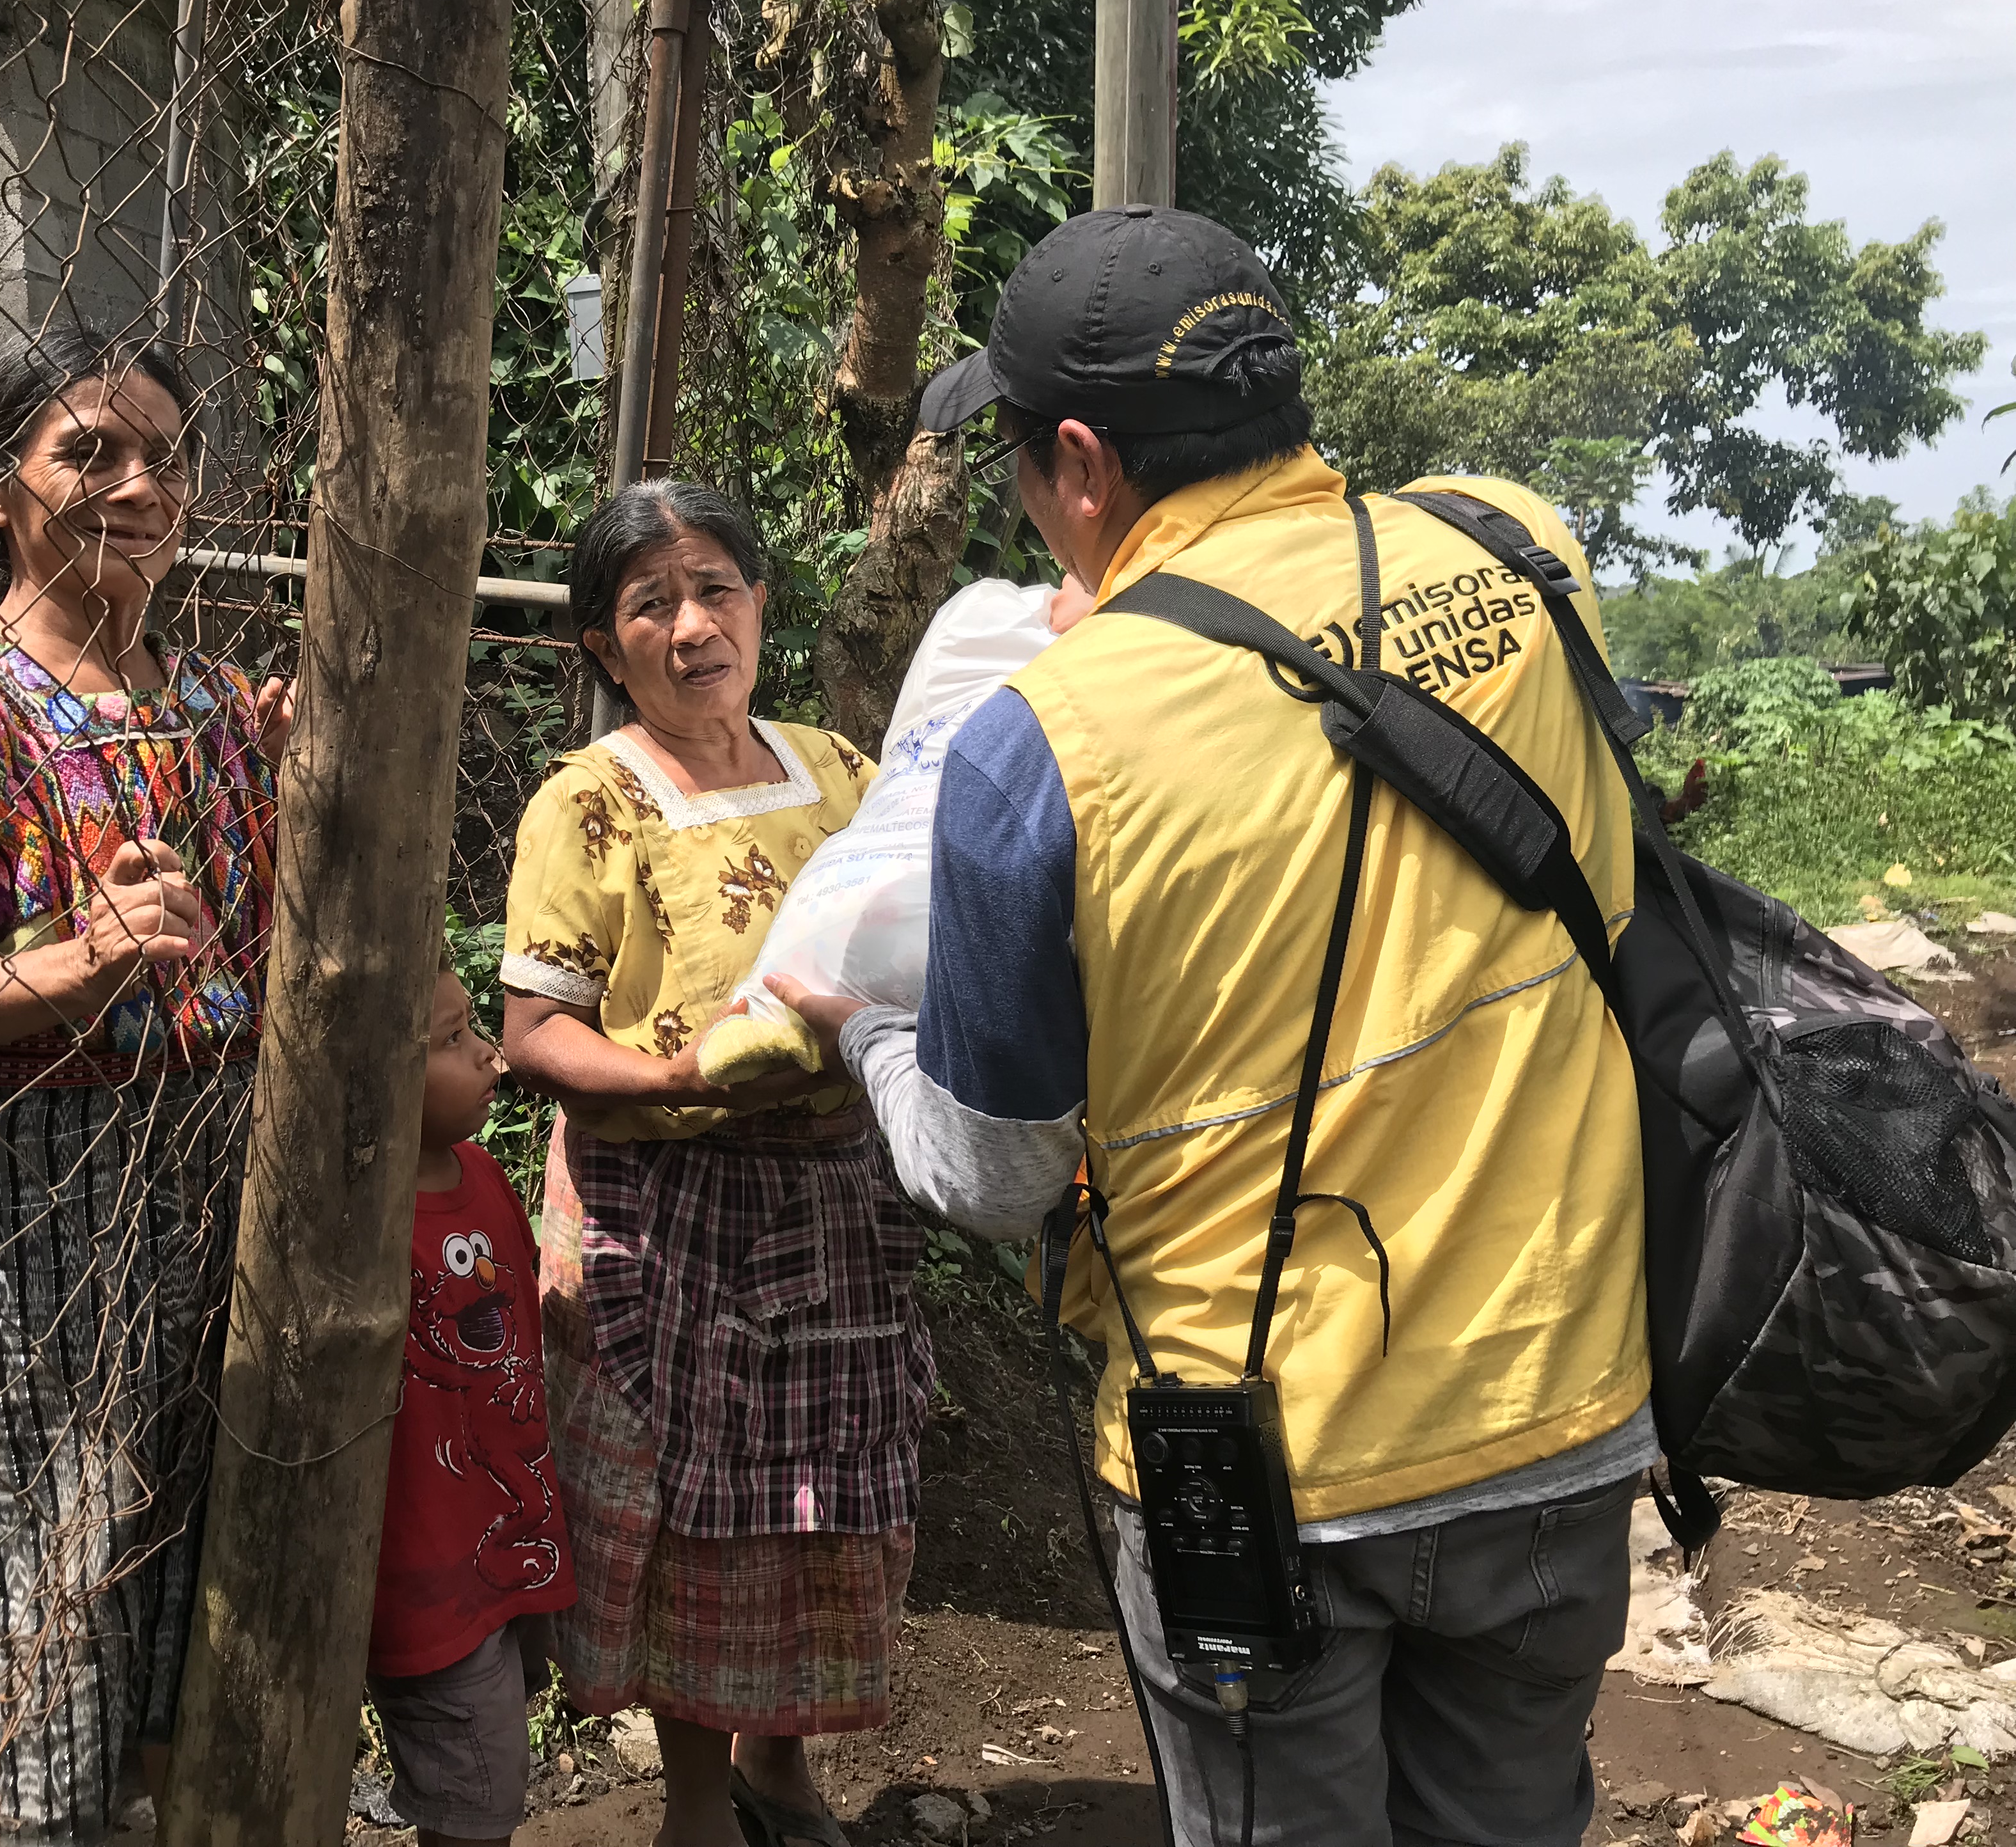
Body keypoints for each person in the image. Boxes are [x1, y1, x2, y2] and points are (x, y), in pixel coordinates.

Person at [774, 207, 1651, 1846]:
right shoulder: (1527, 548)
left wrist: (867, 1033)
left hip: (1260, 1464)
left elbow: (995, 1175)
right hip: (1564, 1406)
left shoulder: (1039, 745)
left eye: (1027, 465)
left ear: (1084, 468)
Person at [0, 325, 289, 1844]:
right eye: (91, 450)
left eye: (164, 453)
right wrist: (70, 972)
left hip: (216, 1193)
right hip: (26, 1212)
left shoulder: (216, 702)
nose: (140, 483)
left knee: (189, 1576)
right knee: (37, 1591)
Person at [497, 480, 935, 1847]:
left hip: (837, 1202)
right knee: (699, 1516)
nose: (693, 627)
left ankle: (782, 1768)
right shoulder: (590, 806)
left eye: (717, 590)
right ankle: (697, 1802)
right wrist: (683, 1077)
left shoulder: (843, 773)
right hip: (664, 1210)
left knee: (822, 1496)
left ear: (760, 603)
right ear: (602, 646)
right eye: (650, 605)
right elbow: (534, 1035)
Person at [364, 964, 577, 1847]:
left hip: (505, 1541)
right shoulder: (357, 1235)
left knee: (500, 1730)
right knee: (476, 1794)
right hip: (424, 1576)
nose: (492, 1057)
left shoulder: (482, 1174)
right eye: (452, 1041)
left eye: (474, 1030)